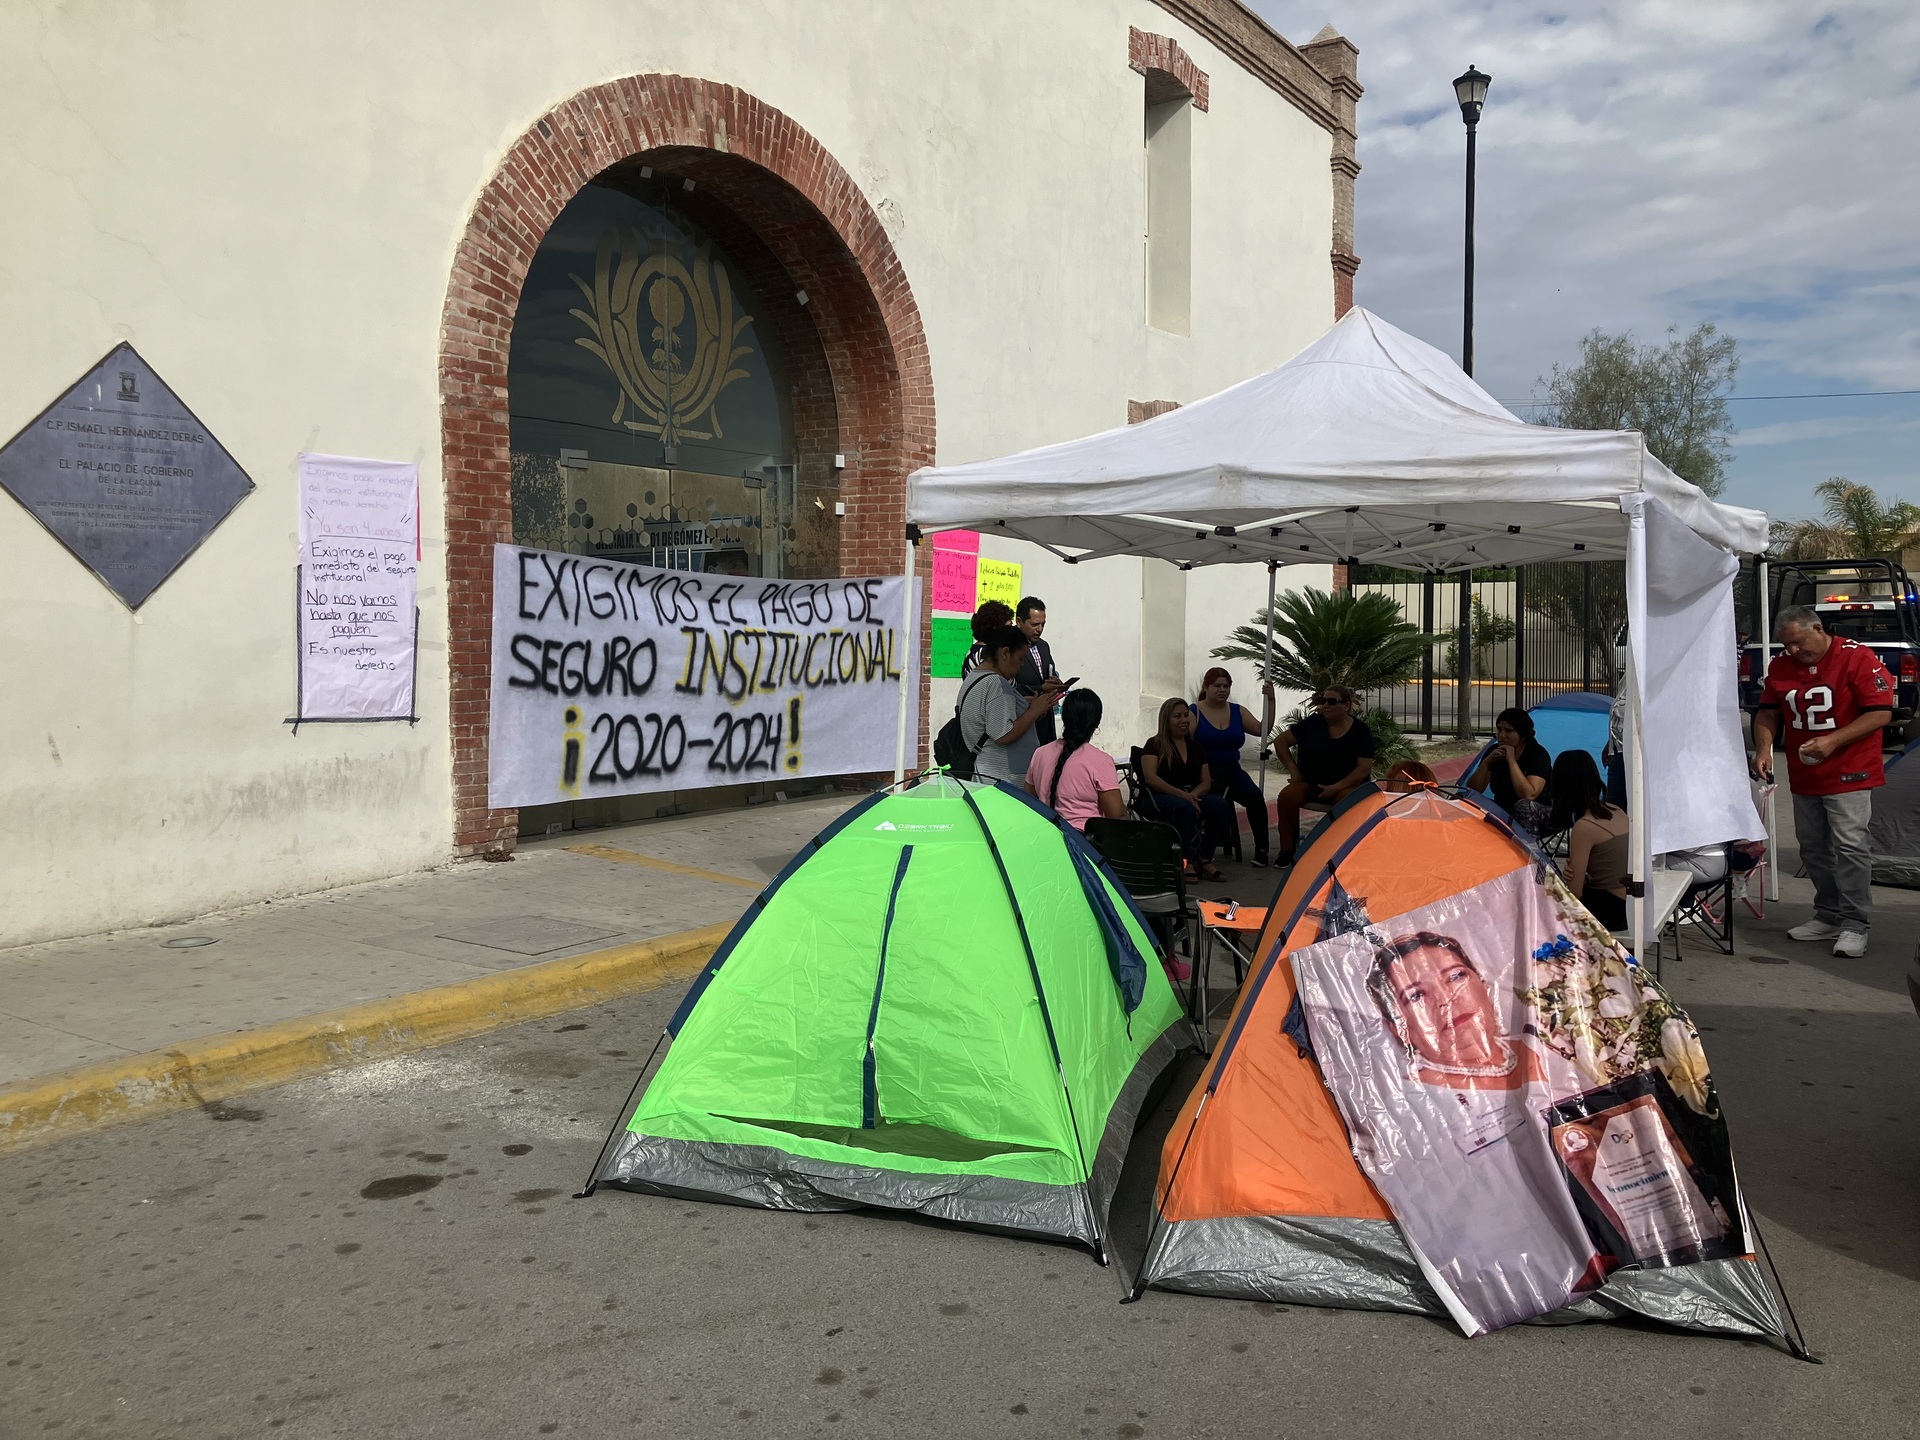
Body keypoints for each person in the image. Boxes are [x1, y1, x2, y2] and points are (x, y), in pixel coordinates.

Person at [1751, 604, 1894, 958]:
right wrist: (1764, 749)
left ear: (1818, 629)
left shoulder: (1856, 657)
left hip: (1850, 769)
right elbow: (1768, 711)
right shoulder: (1781, 666)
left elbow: (1880, 712)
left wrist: (1833, 740)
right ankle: (1828, 913)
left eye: (1799, 643)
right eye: (1787, 646)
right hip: (1806, 773)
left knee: (1850, 846)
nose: (1794, 651)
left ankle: (1855, 922)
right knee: (1813, 847)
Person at [1365, 931, 1545, 1091]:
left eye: (1455, 976)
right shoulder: (1416, 1100)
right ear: (1398, 1028)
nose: (1446, 999)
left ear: (1483, 985)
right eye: (1416, 995)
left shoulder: (1544, 1045)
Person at [1271, 685, 1376, 858]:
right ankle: (1287, 851)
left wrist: (1335, 788)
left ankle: (1339, 851)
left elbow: (1363, 768)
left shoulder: (1360, 731)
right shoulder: (1313, 723)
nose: (1325, 705)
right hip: (1310, 783)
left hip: (1345, 786)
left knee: (1347, 802)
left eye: (1331, 701)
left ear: (1346, 706)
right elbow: (1280, 741)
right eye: (1322, 700)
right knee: (1287, 796)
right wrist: (1294, 771)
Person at [1137, 696, 1234, 880]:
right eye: (1177, 716)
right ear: (1166, 719)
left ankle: (1205, 858)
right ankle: (1185, 861)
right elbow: (1151, 778)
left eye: (1185, 715)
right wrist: (1183, 796)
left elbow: (1206, 781)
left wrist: (1193, 795)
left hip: (1190, 796)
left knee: (1221, 806)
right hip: (1158, 797)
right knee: (1184, 807)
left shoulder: (1196, 748)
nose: (1183, 720)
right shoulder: (1154, 744)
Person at [1191, 667, 1277, 866]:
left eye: (1226, 686)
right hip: (1205, 772)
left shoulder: (1238, 711)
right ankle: (1202, 850)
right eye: (1217, 686)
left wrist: (1271, 701)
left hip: (1232, 770)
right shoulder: (1194, 711)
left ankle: (1262, 849)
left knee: (1255, 797)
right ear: (1206, 687)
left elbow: (1261, 729)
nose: (1222, 690)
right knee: (1212, 805)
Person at [957, 625, 1062, 784]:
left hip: (993, 773)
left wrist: (1023, 705)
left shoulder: (975, 677)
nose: (1021, 666)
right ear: (1005, 653)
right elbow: (1003, 734)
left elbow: (991, 714)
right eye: (1020, 659)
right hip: (1004, 777)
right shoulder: (995, 683)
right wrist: (1034, 710)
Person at [1546, 750, 1630, 931]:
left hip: (1613, 911)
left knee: (1545, 901)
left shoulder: (1584, 827)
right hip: (1632, 904)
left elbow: (1575, 893)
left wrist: (1577, 879)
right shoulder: (1616, 810)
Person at [1025, 689, 1124, 831]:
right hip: (1084, 845)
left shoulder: (1040, 754)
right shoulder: (1101, 761)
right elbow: (1117, 815)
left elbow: (1028, 801)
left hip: (1046, 838)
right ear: (1097, 722)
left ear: (1064, 717)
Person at [1466, 706, 1552, 836]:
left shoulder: (1538, 754)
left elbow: (1529, 794)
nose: (1502, 735)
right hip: (1504, 809)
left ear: (1522, 735)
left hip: (1538, 813)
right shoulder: (1494, 752)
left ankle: (1528, 852)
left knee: (1523, 805)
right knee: (1466, 799)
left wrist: (1511, 761)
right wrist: (1487, 762)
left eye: (1508, 731)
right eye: (1499, 730)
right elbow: (1474, 790)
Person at [1013, 596, 1060, 745]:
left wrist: (1056, 683)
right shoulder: (1010, 648)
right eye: (1034, 624)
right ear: (1019, 622)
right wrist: (1040, 688)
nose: (1039, 629)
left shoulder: (1043, 646)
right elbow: (1007, 686)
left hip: (1045, 722)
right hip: (1021, 722)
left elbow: (1049, 673)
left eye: (1043, 624)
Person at [959, 600, 1014, 681]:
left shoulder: (975, 650)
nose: (1012, 631)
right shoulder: (986, 654)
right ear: (996, 628)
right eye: (1009, 626)